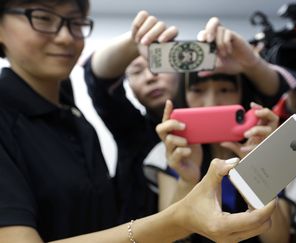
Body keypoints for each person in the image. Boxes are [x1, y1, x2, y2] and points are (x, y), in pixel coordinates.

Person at [0, 0, 277, 242]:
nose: (64, 37)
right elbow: (97, 78)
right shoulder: (136, 132)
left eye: (76, 22)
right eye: (42, 18)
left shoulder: (68, 112)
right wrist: (178, 219)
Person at [84, 12, 290, 203]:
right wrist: (135, 41)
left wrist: (251, 63)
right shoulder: (133, 130)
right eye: (137, 71)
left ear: (182, 72)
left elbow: (275, 90)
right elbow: (97, 81)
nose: (150, 76)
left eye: (158, 64)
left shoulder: (250, 138)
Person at [155, 17, 292, 243]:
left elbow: (278, 239)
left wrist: (260, 165)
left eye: (225, 89)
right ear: (184, 96)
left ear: (242, 94)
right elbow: (166, 238)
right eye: (198, 90)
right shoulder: (169, 152)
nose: (211, 101)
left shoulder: (271, 148)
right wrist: (188, 178)